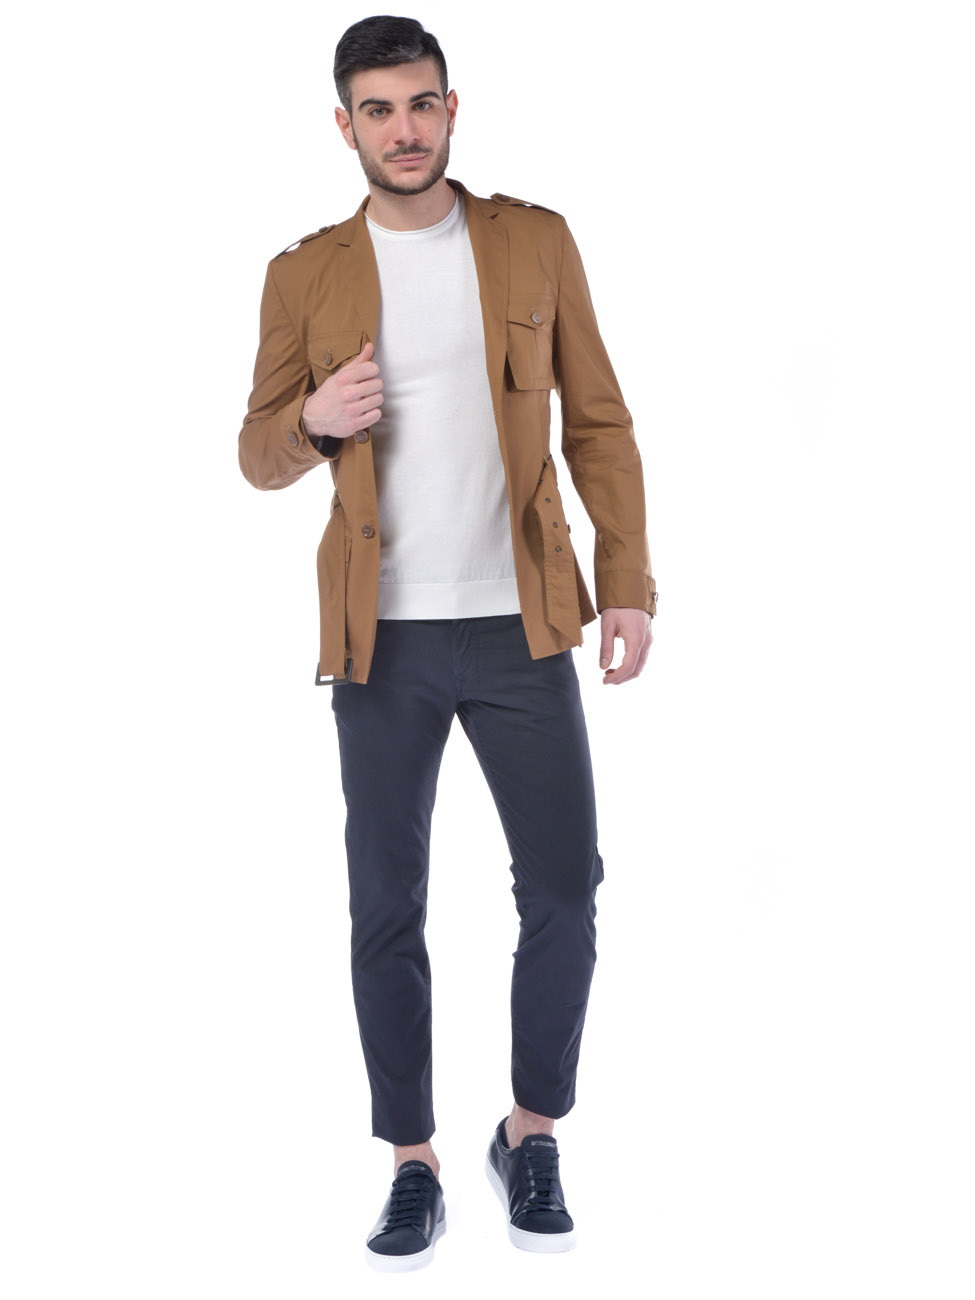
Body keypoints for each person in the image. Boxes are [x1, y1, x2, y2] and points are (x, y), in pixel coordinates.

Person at [237, 14, 657, 1271]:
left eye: (421, 104)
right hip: (382, 640)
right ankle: (412, 1158)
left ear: (453, 107)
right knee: (386, 903)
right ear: (345, 125)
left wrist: (625, 583)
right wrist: (314, 418)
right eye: (378, 110)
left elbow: (599, 421)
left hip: (525, 623)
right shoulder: (303, 274)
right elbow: (255, 452)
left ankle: (529, 1131)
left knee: (566, 888)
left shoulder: (534, 240)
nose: (404, 129)